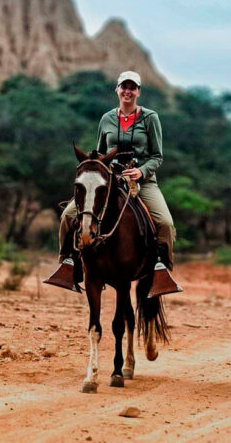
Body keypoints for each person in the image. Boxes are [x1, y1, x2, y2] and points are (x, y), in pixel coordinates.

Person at [44, 71, 183, 297]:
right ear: (117, 90)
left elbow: (157, 156)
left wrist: (141, 171)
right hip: (109, 179)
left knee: (165, 223)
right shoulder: (106, 118)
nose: (128, 91)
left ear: (138, 91)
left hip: (142, 181)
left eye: (133, 87)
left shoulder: (150, 118)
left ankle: (162, 271)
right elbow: (99, 152)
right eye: (124, 87)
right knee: (68, 216)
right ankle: (67, 264)